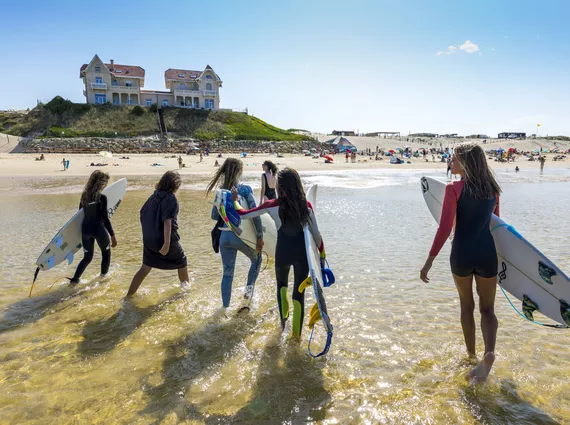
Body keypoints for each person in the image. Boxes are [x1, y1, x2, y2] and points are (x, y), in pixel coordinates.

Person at [420, 144, 501, 384]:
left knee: (467, 306)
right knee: (488, 310)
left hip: (461, 254)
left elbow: (445, 229)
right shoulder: (492, 189)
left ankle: (470, 356)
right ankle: (488, 354)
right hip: (487, 253)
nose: (450, 162)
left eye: (453, 159)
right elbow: (497, 224)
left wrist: (428, 262)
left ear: (465, 162)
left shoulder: (453, 189)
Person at [232, 167, 326, 338]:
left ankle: (283, 329)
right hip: (301, 256)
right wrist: (322, 256)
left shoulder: (272, 205)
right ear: (297, 185)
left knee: (281, 288)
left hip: (283, 253)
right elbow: (317, 236)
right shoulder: (306, 207)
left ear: (280, 187)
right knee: (299, 294)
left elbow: (243, 214)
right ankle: (296, 337)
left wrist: (235, 201)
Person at [206, 158, 263, 310]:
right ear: (239, 172)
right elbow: (254, 214)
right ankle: (247, 296)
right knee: (257, 260)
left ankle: (225, 308)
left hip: (224, 237)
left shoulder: (220, 192)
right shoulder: (245, 189)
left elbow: (214, 216)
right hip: (240, 236)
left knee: (228, 273)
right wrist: (259, 236)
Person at [127, 171, 188, 296]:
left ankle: (129, 296)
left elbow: (142, 214)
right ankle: (186, 292)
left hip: (149, 240)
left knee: (145, 268)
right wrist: (166, 243)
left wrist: (148, 234)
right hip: (164, 240)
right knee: (182, 261)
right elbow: (167, 222)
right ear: (174, 185)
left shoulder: (154, 195)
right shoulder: (171, 198)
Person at [69, 171, 117, 284]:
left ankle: (75, 280)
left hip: (85, 230)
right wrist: (113, 236)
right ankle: (103, 278)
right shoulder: (102, 198)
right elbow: (105, 219)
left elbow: (79, 214)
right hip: (98, 230)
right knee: (106, 254)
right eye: (105, 182)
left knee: (87, 257)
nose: (106, 184)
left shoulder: (84, 196)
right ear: (100, 183)